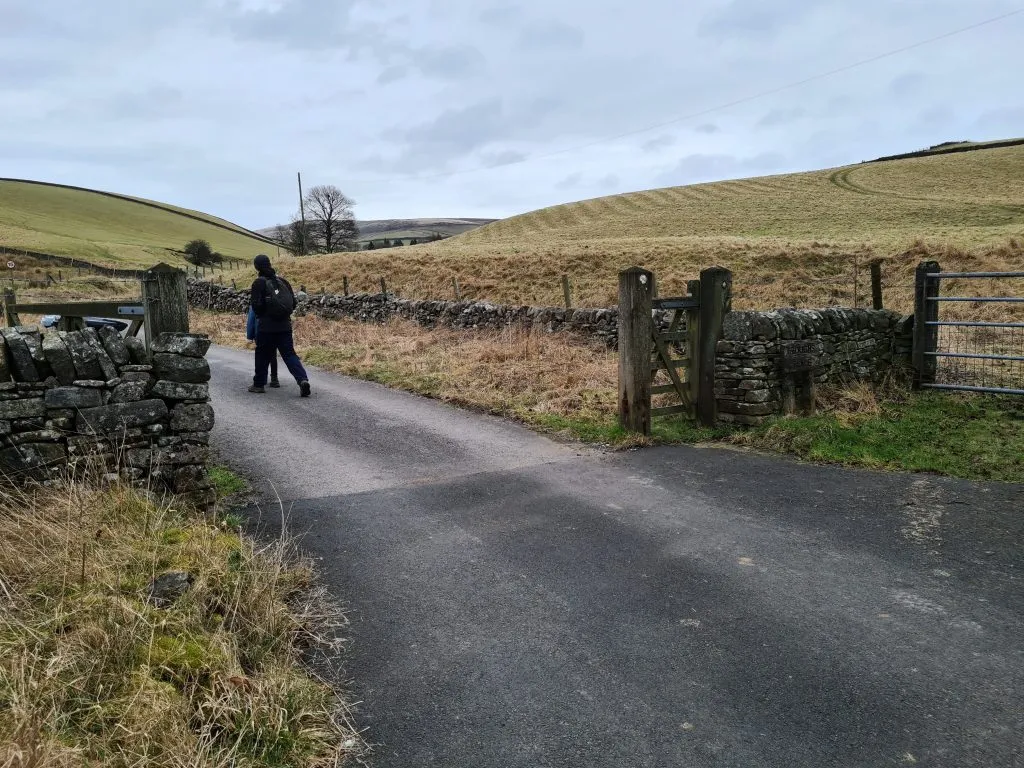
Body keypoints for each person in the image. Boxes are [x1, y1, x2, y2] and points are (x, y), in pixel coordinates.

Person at [247, 254, 311, 397]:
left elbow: (256, 306)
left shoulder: (259, 283)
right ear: (269, 264)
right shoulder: (283, 281)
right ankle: (302, 380)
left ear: (256, 267)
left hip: (266, 327)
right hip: (284, 326)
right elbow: (293, 304)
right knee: (289, 354)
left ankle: (258, 384)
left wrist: (264, 315)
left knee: (262, 355)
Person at [246, 305, 279, 388]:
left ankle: (261, 380)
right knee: (273, 355)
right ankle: (274, 379)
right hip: (274, 331)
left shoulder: (256, 301)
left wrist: (250, 336)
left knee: (261, 357)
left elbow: (251, 320)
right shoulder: (273, 300)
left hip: (260, 332)